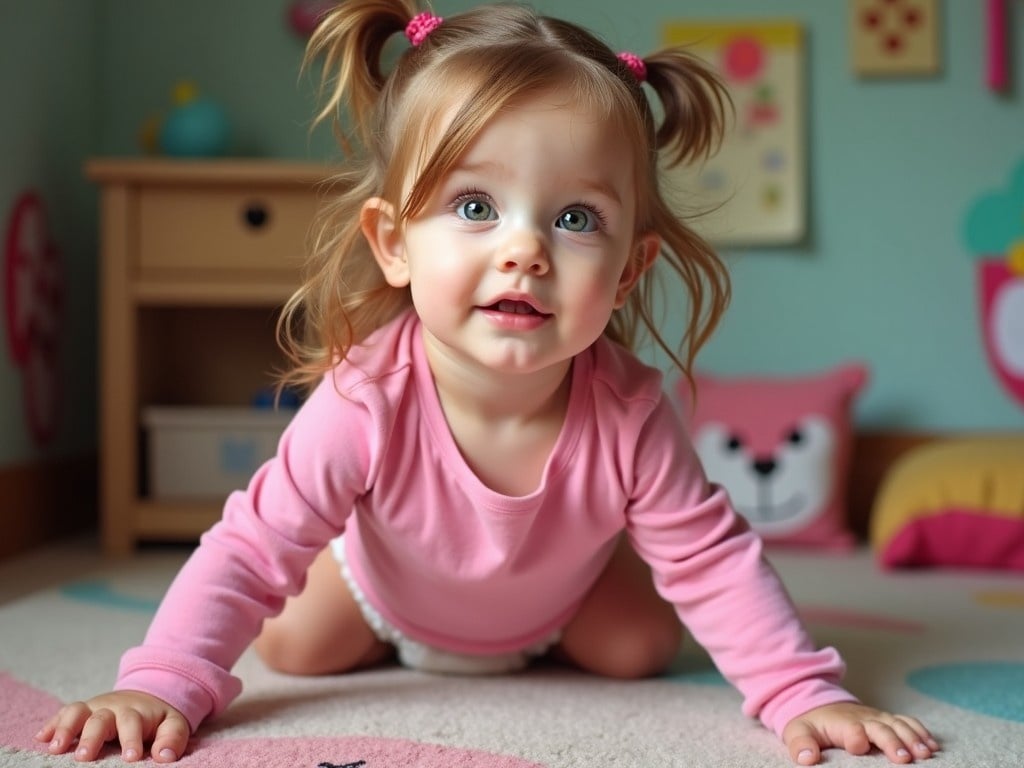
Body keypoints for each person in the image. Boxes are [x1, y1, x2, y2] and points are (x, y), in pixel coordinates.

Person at [37, 1, 939, 765]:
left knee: (642, 647)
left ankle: (599, 554)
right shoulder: (363, 398)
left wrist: (801, 693)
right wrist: (158, 684)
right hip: (380, 597)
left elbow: (711, 559)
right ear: (393, 242)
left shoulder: (630, 408)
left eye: (577, 218)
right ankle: (368, 592)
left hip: (556, 610)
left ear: (627, 272)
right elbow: (248, 551)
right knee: (295, 643)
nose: (525, 249)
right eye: (475, 207)